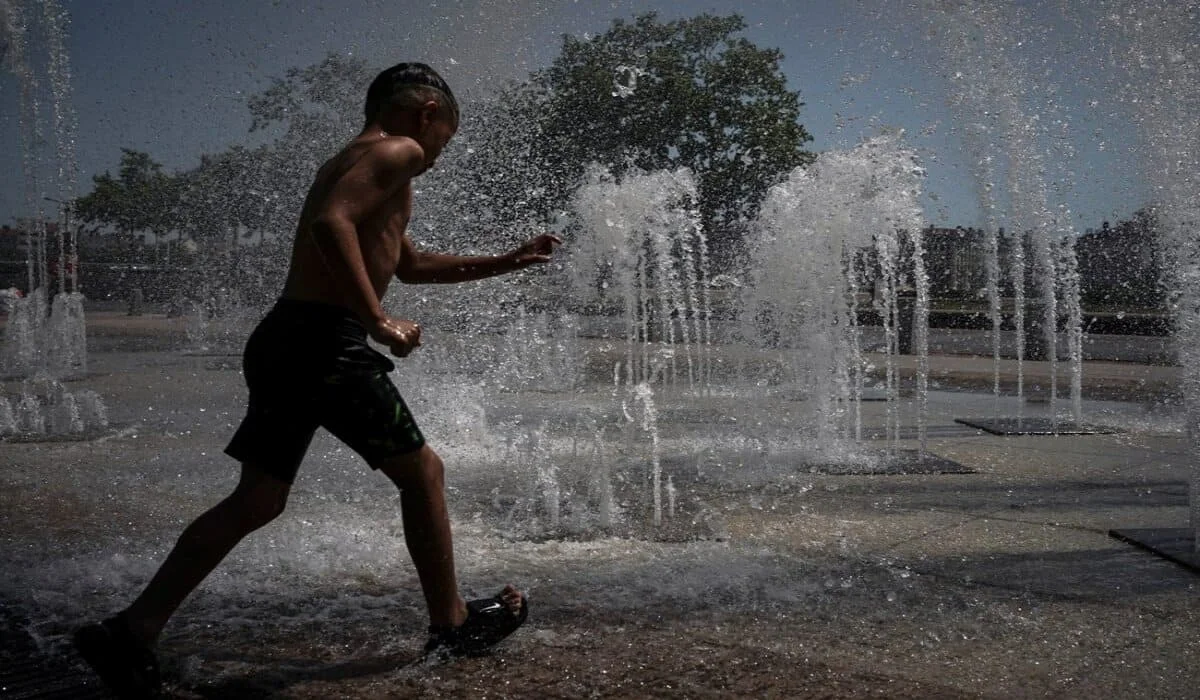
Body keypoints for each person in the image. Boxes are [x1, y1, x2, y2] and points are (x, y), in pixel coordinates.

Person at [74, 62, 561, 697]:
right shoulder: (400, 149)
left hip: (287, 339)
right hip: (322, 344)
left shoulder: (360, 158)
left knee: (258, 500)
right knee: (424, 473)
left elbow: (405, 262)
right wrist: (377, 319)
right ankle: (452, 624)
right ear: (426, 116)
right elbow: (329, 224)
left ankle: (131, 632)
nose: (443, 149)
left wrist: (503, 262)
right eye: (449, 134)